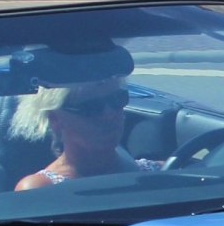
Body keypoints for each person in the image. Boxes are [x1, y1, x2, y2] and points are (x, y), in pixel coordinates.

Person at [12, 41, 141, 190]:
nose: (109, 114)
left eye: (117, 100)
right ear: (55, 119)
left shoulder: (156, 173)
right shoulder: (39, 189)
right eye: (91, 107)